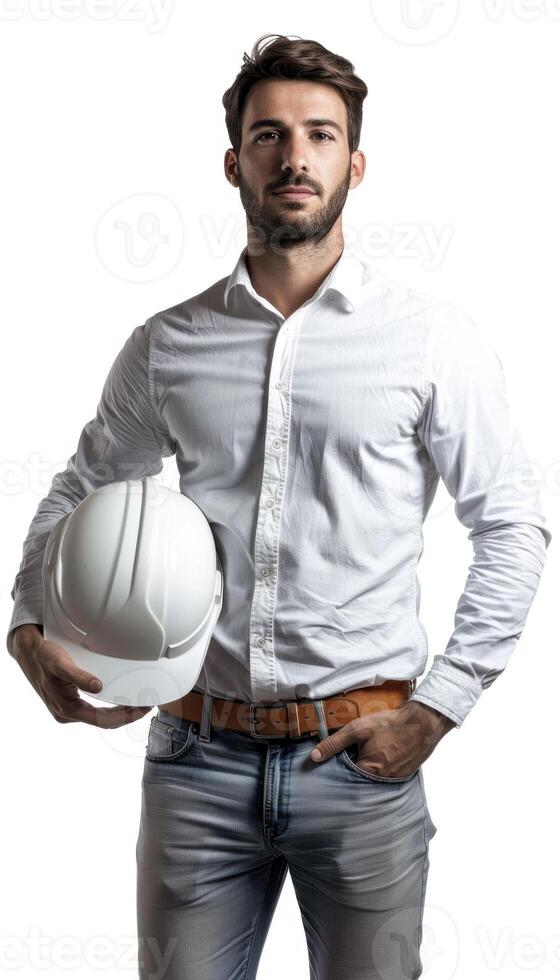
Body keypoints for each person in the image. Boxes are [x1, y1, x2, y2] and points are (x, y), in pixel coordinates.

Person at [7, 33, 551, 980]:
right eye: (268, 135)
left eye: (320, 135)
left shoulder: (430, 341)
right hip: (193, 760)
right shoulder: (168, 342)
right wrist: (26, 618)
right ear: (234, 162)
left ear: (356, 163)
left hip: (364, 764)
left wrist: (441, 707)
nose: (294, 158)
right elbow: (84, 485)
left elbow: (511, 521)